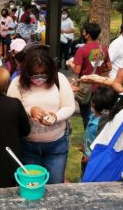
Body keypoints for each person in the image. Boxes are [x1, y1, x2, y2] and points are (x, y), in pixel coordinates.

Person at [7, 48, 75, 184]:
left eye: (44, 74)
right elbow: (11, 108)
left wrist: (55, 116)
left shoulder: (59, 79)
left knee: (55, 184)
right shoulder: (17, 83)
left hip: (56, 144)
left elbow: (69, 106)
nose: (39, 78)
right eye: (35, 75)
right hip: (27, 145)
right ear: (27, 72)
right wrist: (29, 110)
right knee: (32, 184)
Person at [72, 22, 112, 128]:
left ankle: (89, 136)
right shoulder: (103, 48)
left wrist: (70, 64)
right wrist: (98, 72)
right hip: (98, 85)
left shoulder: (82, 50)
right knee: (99, 115)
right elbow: (109, 67)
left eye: (84, 31)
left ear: (88, 34)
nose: (83, 33)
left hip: (85, 86)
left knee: (86, 116)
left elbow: (77, 71)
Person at [80, 87, 116, 176]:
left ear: (93, 103)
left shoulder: (100, 124)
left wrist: (91, 158)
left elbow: (105, 145)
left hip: (93, 161)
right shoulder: (93, 117)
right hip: (87, 156)